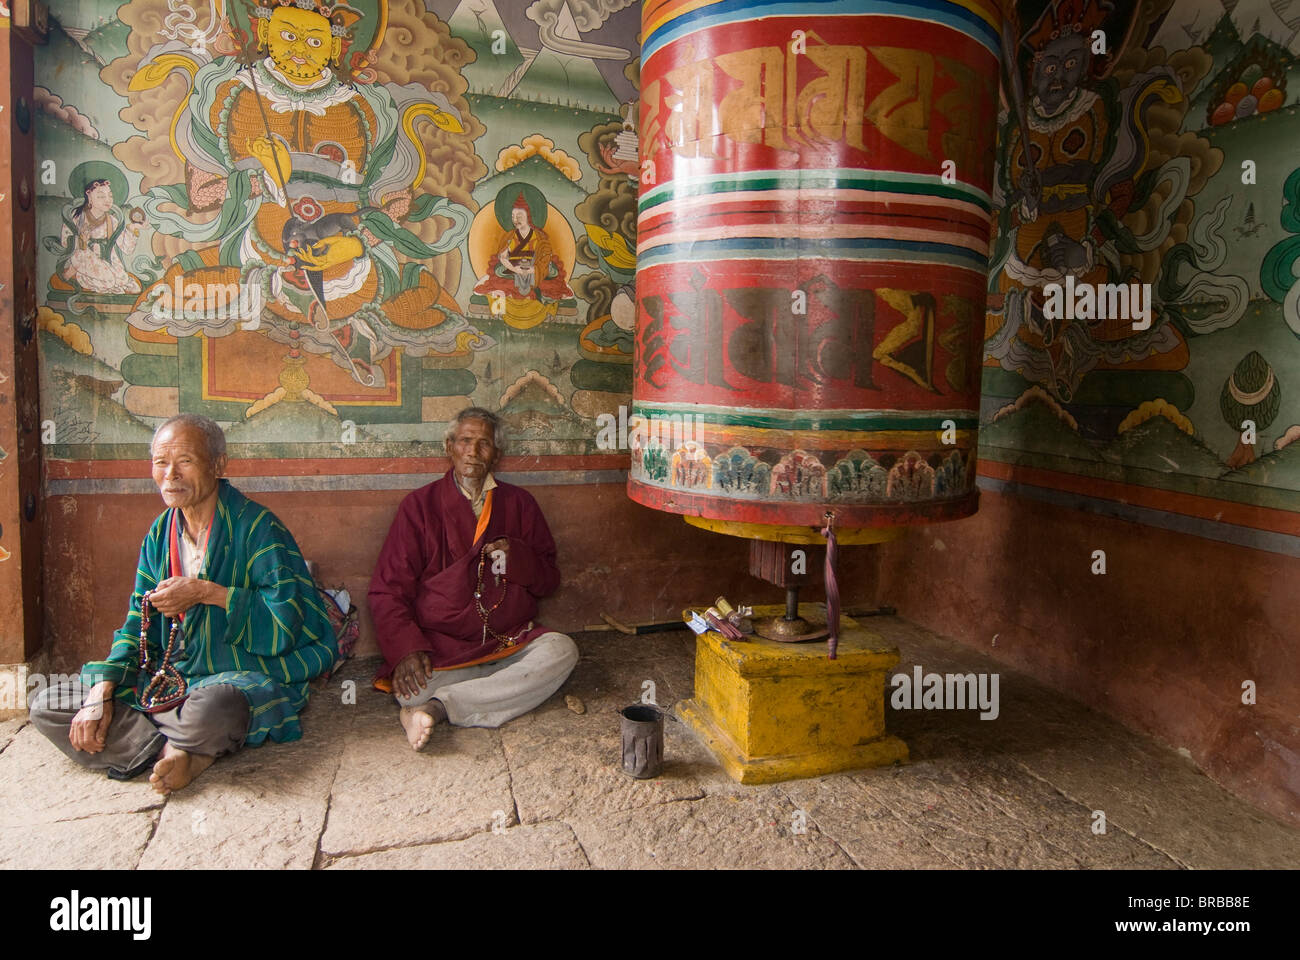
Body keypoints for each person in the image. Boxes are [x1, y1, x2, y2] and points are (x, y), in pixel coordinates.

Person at [30, 414, 338, 794]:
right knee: (48, 703)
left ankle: (157, 743)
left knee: (220, 707)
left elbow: (284, 623)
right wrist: (102, 691)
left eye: (185, 461)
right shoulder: (160, 533)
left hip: (235, 673)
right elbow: (135, 623)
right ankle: (176, 749)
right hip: (167, 676)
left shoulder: (257, 527)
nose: (170, 474)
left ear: (218, 465)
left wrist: (206, 592)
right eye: (161, 462)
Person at [369, 407, 579, 750]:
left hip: (508, 641)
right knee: (411, 684)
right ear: (449, 446)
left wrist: (518, 559)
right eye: (465, 441)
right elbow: (387, 590)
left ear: (496, 454)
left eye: (484, 444)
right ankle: (481, 694)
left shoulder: (521, 504)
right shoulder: (418, 506)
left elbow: (549, 581)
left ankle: (435, 708)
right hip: (443, 647)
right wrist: (407, 650)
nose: (473, 451)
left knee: (562, 651)